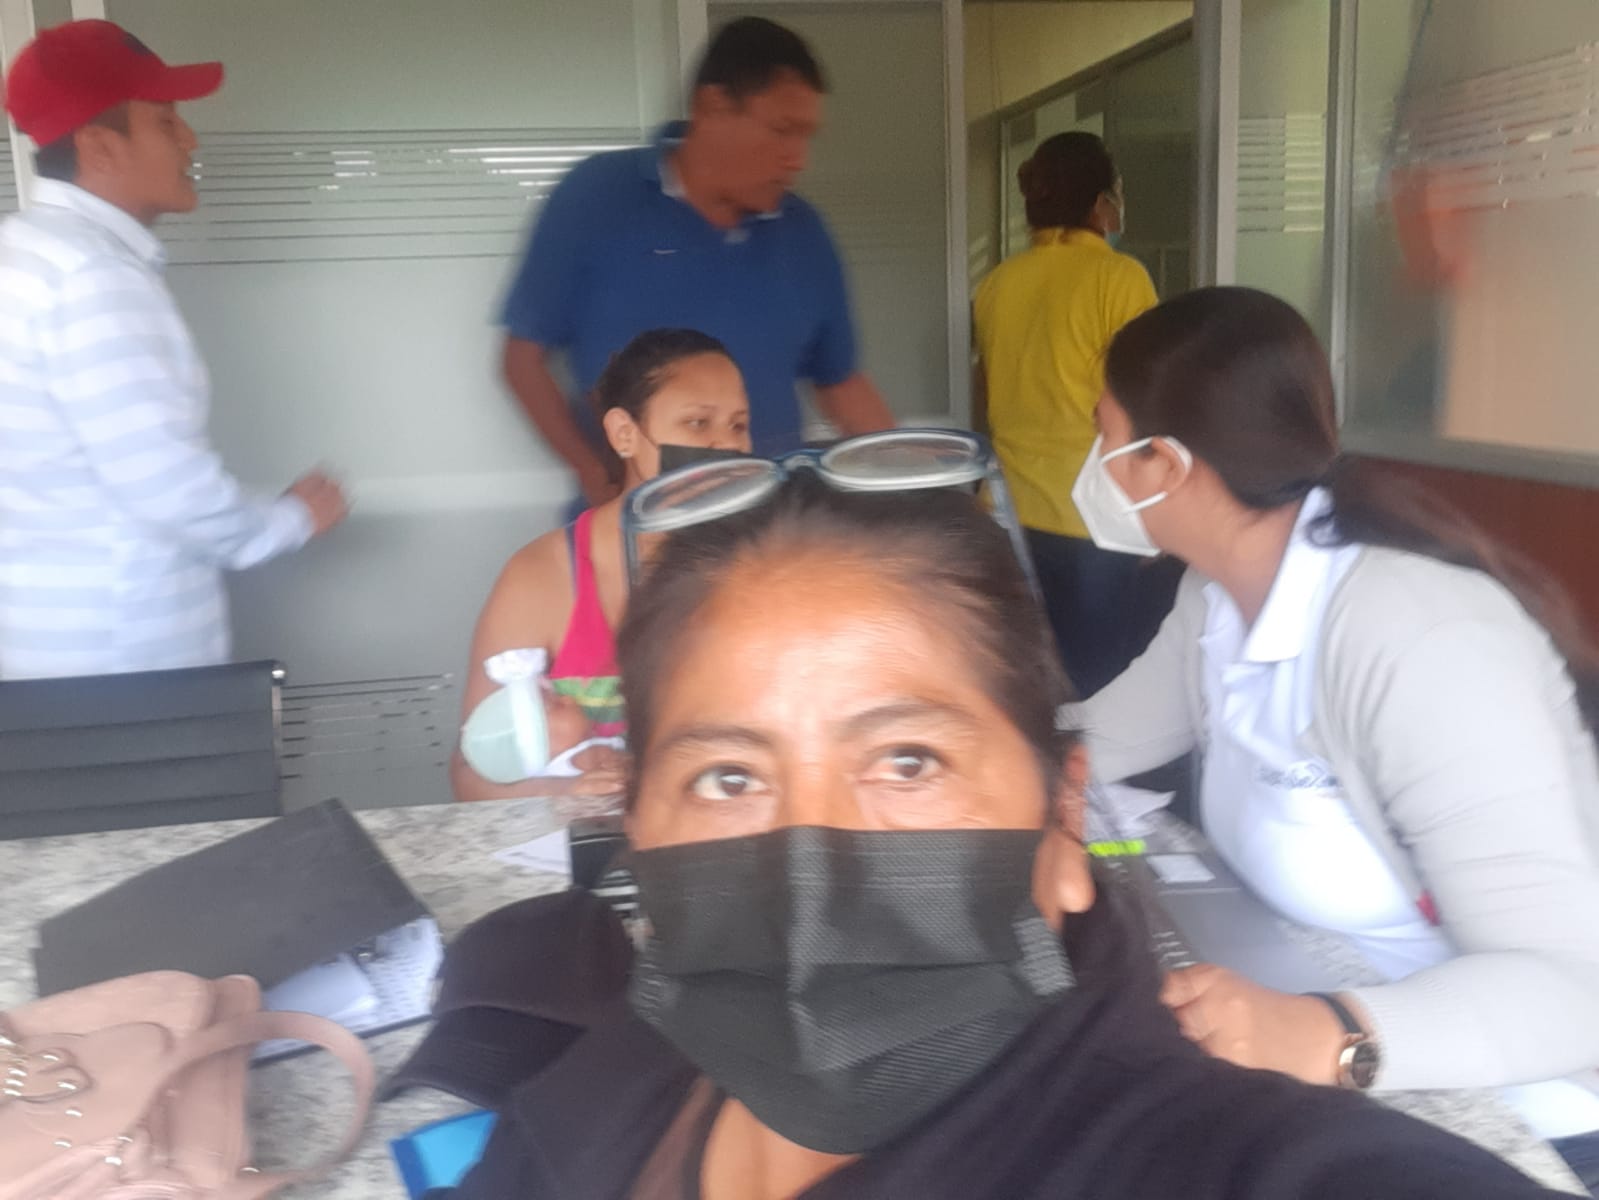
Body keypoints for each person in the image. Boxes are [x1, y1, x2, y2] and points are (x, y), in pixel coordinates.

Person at [435, 474, 1566, 1198]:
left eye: (906, 762)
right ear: (636, 832)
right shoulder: (607, 1084)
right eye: (729, 778)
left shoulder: (1216, 1160)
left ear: (1061, 821)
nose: (811, 870)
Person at [1072, 286, 1599, 1190]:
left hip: (1524, 1123)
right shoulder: (1216, 597)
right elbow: (1094, 744)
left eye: (1104, 439)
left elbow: (1572, 992)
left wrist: (1326, 1034)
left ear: (1164, 462)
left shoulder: (1416, 638)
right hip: (1349, 1061)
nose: (1092, 471)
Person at [0, 20, 346, 681]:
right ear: (101, 147)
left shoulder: (26, 252)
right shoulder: (93, 277)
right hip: (124, 664)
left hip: (57, 648)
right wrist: (291, 519)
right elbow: (168, 489)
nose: (189, 140)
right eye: (165, 122)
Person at [499, 16, 892, 509]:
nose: (798, 159)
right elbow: (521, 360)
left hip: (767, 526)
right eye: (782, 131)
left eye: (806, 136)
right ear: (713, 107)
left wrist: (913, 485)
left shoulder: (804, 232)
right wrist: (592, 472)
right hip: (635, 526)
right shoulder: (596, 199)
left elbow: (841, 383)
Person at [452, 328, 751, 803]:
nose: (726, 446)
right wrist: (570, 792)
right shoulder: (542, 577)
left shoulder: (762, 564)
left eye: (738, 426)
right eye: (698, 423)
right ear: (624, 433)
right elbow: (472, 774)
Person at [973, 130, 1171, 696]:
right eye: (1118, 194)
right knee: (1098, 692)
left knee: (1025, 688)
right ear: (1101, 203)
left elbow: (987, 393)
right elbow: (1144, 401)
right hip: (1093, 518)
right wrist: (1157, 512)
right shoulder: (1119, 278)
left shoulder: (996, 284)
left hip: (1006, 512)